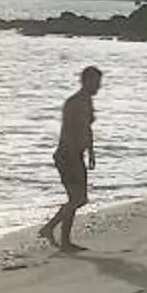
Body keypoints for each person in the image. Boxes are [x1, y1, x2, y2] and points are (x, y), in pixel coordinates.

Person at [43, 63, 102, 251]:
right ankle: (63, 240)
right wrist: (74, 158)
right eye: (96, 83)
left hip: (77, 155)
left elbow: (87, 128)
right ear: (85, 82)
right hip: (67, 155)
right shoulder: (74, 102)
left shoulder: (87, 102)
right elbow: (68, 132)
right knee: (76, 198)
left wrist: (90, 152)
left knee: (80, 199)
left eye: (99, 83)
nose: (98, 87)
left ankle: (50, 229)